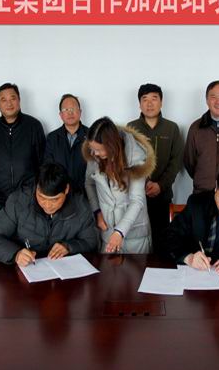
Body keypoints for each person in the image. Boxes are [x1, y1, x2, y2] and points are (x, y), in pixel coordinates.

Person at [0, 163, 98, 266]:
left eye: (55, 200)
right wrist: (15, 254)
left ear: (66, 189)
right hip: (25, 270)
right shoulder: (19, 201)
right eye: (42, 197)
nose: (47, 205)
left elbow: (91, 241)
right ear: (36, 187)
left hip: (62, 272)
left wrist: (69, 247)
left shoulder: (80, 206)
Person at [83, 117, 156, 254]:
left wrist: (119, 232)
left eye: (99, 149)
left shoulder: (136, 157)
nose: (95, 153)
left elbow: (137, 200)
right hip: (107, 232)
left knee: (138, 268)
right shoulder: (94, 155)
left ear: (111, 146)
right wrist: (97, 212)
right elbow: (89, 183)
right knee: (107, 268)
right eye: (92, 148)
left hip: (135, 237)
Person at [126, 83, 184, 256]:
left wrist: (160, 185)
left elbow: (176, 162)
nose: (149, 104)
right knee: (138, 243)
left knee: (162, 242)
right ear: (139, 104)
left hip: (163, 196)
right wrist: (142, 184)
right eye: (145, 99)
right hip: (137, 197)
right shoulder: (131, 128)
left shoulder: (172, 128)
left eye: (154, 99)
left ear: (161, 102)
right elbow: (126, 162)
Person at [0, 83, 45, 215]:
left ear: (19, 100)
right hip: (0, 199)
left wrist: (42, 194)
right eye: (3, 100)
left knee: (29, 229)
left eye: (12, 98)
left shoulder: (33, 126)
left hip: (29, 196)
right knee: (2, 229)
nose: (9, 103)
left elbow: (43, 163)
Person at [44, 93, 88, 196]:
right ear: (60, 114)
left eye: (73, 109)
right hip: (60, 194)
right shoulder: (52, 138)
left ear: (80, 112)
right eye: (66, 110)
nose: (70, 112)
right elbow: (48, 168)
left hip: (86, 195)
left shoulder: (91, 136)